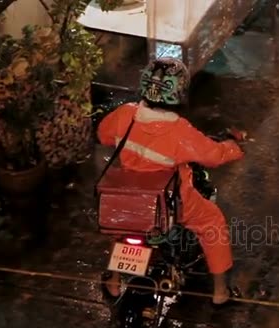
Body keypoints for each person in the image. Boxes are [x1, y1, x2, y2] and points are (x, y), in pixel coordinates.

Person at [97, 57, 244, 305]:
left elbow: (103, 135)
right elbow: (214, 156)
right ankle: (220, 293)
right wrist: (233, 147)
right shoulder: (179, 130)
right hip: (170, 203)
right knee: (212, 222)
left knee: (122, 227)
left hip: (129, 198)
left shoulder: (126, 114)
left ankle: (113, 281)